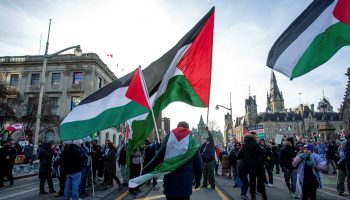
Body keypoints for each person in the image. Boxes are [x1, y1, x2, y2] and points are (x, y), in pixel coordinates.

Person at [142, 121, 203, 200]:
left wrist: (144, 173)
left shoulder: (169, 138)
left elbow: (158, 158)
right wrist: (197, 180)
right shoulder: (191, 142)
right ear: (187, 129)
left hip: (170, 185)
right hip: (185, 186)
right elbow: (199, 164)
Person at [237, 132, 267, 200]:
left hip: (250, 167)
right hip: (258, 166)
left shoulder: (244, 145)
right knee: (261, 182)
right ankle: (264, 196)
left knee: (252, 182)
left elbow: (238, 155)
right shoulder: (255, 144)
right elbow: (262, 153)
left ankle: (253, 197)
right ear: (253, 138)